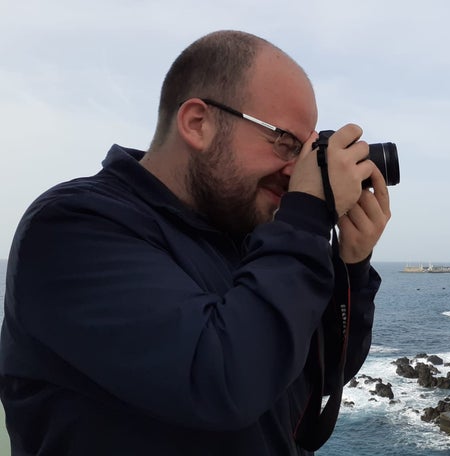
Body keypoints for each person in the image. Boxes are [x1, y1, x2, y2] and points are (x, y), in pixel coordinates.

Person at [0, 30, 391, 455]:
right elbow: (224, 381)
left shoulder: (250, 237)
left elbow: (319, 371)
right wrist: (306, 217)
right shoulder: (72, 228)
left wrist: (350, 266)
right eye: (285, 143)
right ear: (197, 123)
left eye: (305, 152)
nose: (295, 171)